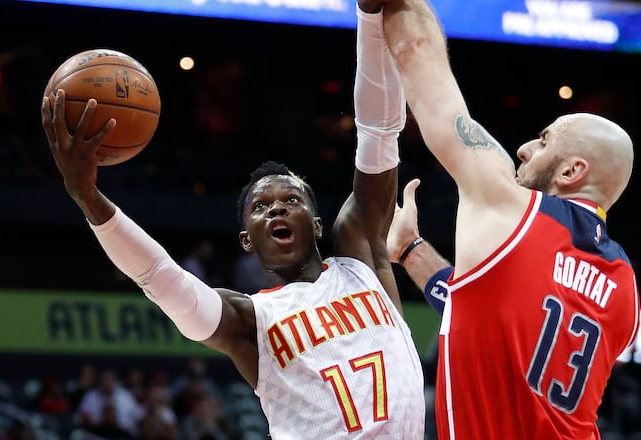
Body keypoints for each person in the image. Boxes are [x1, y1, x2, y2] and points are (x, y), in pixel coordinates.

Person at [39, 3, 425, 437]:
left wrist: (370, 17)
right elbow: (157, 274)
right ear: (247, 240)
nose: (277, 207)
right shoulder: (249, 320)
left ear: (317, 224)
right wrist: (88, 197)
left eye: (291, 199)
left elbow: (378, 131)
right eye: (261, 207)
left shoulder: (362, 261)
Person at [378, 0, 641, 437]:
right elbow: (499, 322)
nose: (524, 149)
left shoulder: (511, 205)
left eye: (544, 140)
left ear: (572, 171)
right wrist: (410, 250)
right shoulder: (625, 288)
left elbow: (418, 52)